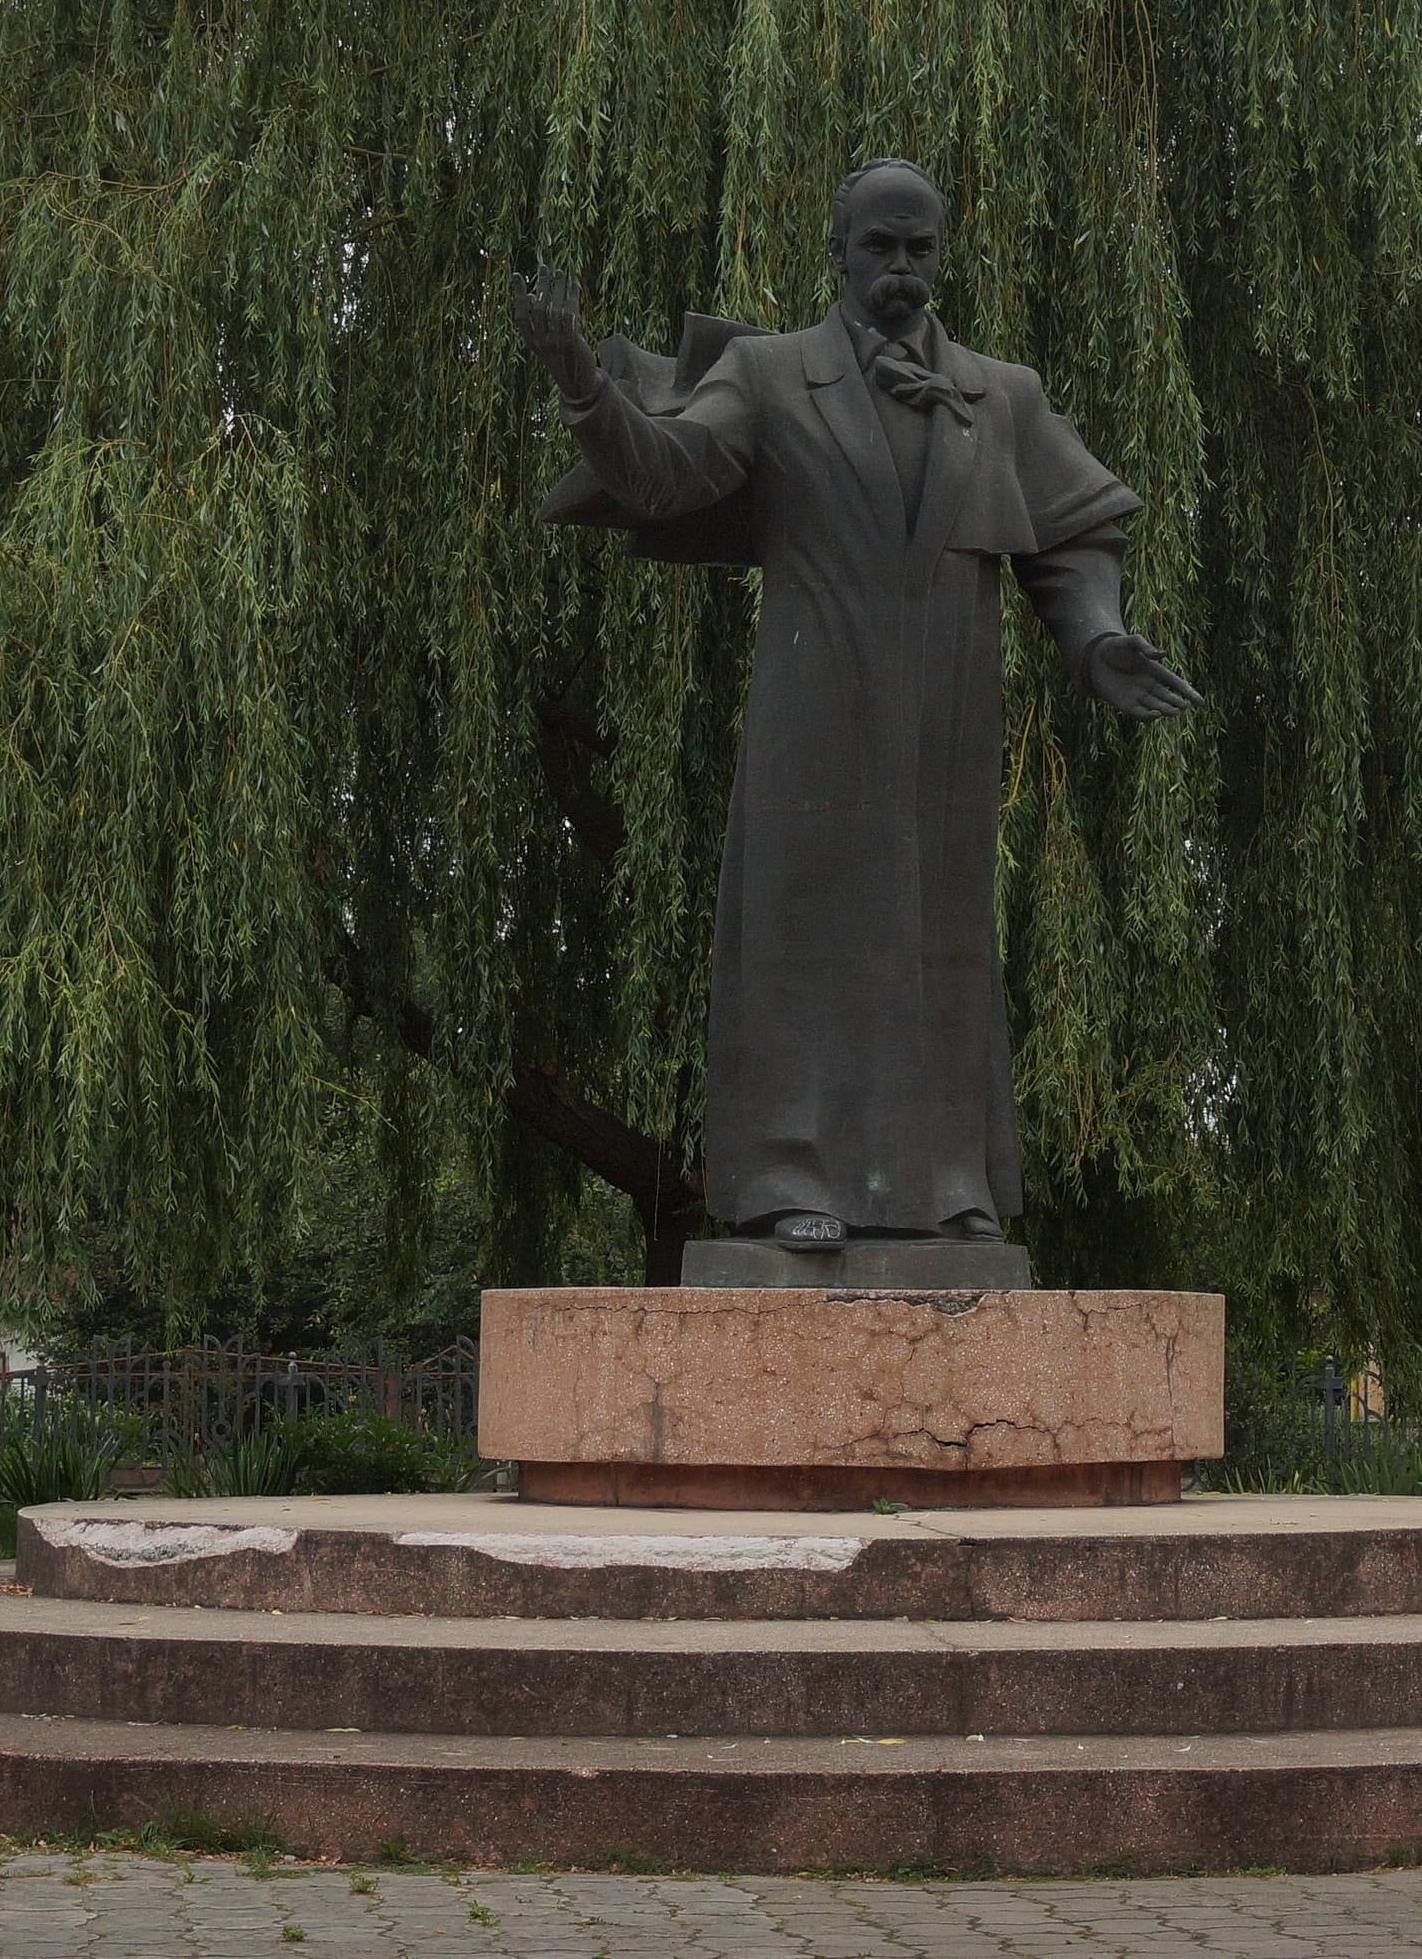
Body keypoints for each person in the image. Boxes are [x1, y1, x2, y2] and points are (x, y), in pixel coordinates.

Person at [513, 159, 1199, 1247]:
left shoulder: (1000, 393)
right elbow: (666, 472)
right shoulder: (770, 372)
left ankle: (949, 1178)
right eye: (879, 246)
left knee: (942, 945)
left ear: (942, 254)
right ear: (838, 252)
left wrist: (1097, 634)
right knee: (803, 939)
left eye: (920, 248)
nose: (901, 268)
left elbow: (1074, 534)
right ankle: (791, 1177)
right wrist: (584, 389)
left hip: (946, 723)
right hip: (815, 713)